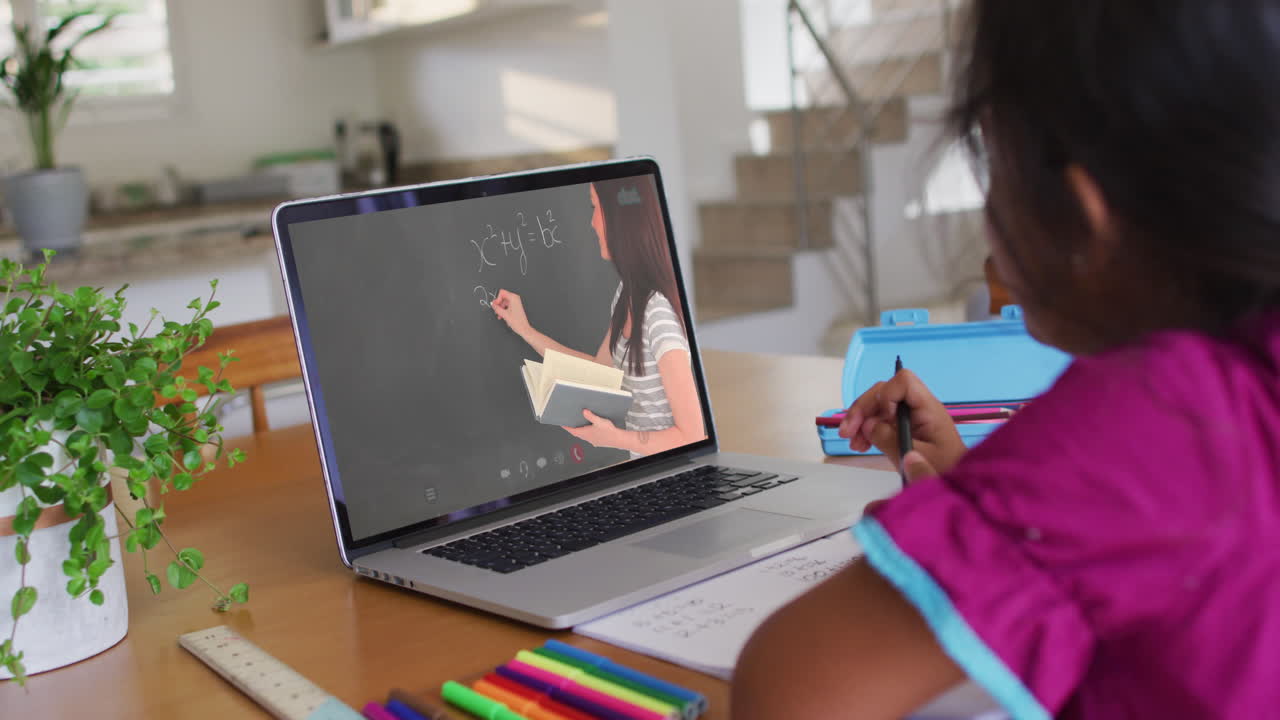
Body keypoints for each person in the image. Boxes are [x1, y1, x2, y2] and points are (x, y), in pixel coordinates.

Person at [734, 0, 1280, 717]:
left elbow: (788, 693)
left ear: (1086, 217)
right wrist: (977, 498)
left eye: (991, 160)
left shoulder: (1153, 418)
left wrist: (992, 517)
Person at [492, 178, 706, 456]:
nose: (592, 221)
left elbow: (692, 436)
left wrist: (615, 438)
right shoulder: (627, 294)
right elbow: (598, 370)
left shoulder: (658, 315)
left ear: (620, 218)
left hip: (676, 477)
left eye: (595, 206)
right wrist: (525, 330)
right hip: (645, 471)